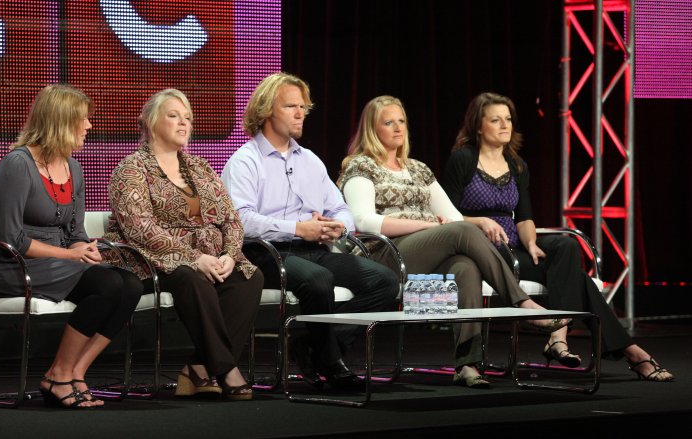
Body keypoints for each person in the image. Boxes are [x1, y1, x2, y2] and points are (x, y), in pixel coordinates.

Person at [338, 95, 570, 388]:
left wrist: (440, 226)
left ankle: (467, 364)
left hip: (423, 257)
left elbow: (454, 217)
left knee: (465, 267)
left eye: (402, 121)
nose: (398, 128)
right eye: (388, 122)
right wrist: (425, 225)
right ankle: (521, 303)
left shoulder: (419, 169)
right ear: (373, 129)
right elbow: (364, 222)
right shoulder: (361, 166)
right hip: (384, 257)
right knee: (462, 233)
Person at [442, 91, 673, 382]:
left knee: (564, 245)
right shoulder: (462, 160)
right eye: (495, 120)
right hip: (481, 250)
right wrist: (480, 222)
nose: (505, 125)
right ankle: (632, 352)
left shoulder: (516, 164)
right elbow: (446, 215)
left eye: (508, 119)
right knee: (582, 281)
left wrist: (531, 244)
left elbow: (525, 216)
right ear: (478, 126)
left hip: (514, 248)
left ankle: (558, 335)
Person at [221, 73, 399, 390]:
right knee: (319, 280)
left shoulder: (310, 161)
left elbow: (342, 209)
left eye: (303, 106)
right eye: (291, 106)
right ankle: (331, 362)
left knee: (384, 280)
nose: (300, 113)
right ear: (265, 111)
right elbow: (241, 221)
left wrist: (337, 226)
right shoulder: (245, 161)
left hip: (314, 250)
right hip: (264, 254)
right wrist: (299, 228)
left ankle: (315, 344)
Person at [0, 84, 144, 408]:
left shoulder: (74, 168)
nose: (89, 126)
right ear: (61, 122)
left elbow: (75, 231)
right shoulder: (17, 165)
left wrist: (86, 248)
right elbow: (12, 240)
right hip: (9, 265)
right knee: (107, 285)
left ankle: (74, 373)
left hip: (57, 261)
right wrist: (71, 254)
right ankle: (58, 374)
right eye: (83, 119)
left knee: (130, 284)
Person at [104, 88, 263, 401]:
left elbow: (230, 220)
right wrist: (194, 258)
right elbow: (140, 228)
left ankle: (198, 368)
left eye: (188, 117)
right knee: (193, 278)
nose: (183, 123)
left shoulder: (201, 168)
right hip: (152, 259)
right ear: (150, 123)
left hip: (209, 256)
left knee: (249, 276)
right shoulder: (132, 169)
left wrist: (230, 255)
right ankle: (227, 369)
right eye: (173, 116)